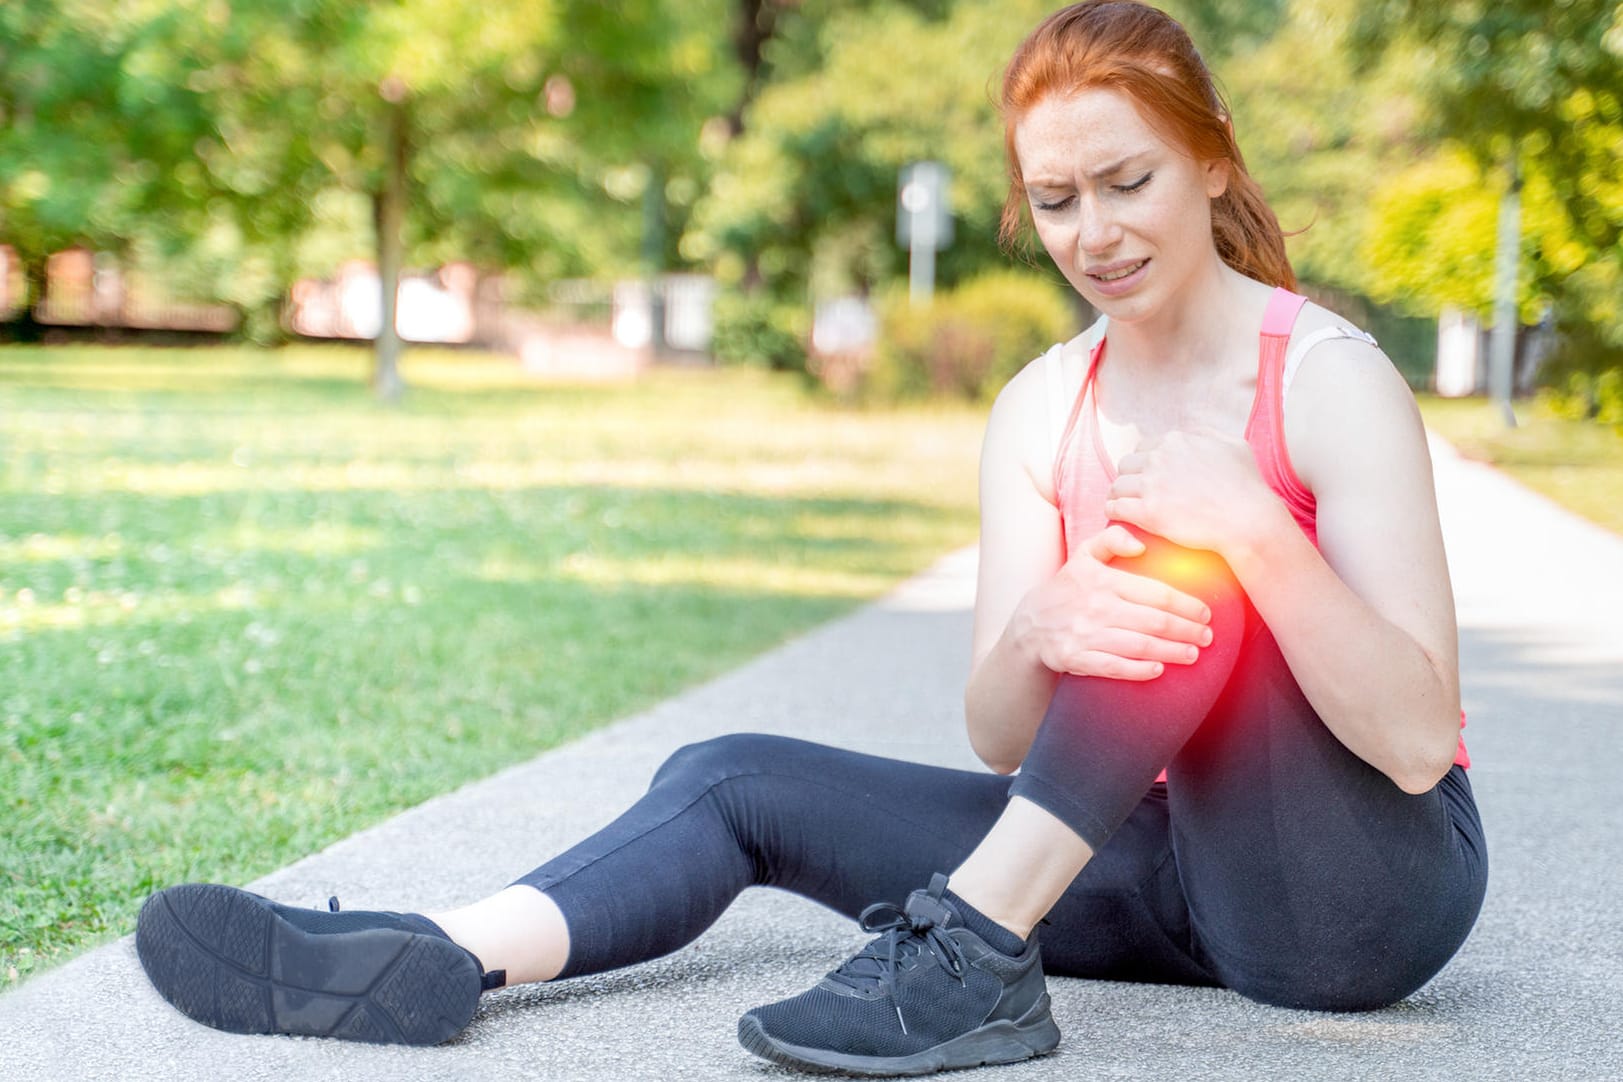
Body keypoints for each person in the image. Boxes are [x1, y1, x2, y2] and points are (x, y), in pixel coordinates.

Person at [134, 1, 1487, 1075]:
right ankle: (442, 951)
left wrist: (1248, 524)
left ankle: (968, 954)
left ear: (1209, 155)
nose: (1095, 232)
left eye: (1126, 181)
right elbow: (1008, 738)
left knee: (1184, 555)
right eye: (1058, 199)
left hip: (1363, 892)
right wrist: (1036, 624)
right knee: (734, 777)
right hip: (1169, 873)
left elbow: (1421, 738)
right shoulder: (1039, 407)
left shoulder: (1324, 376)